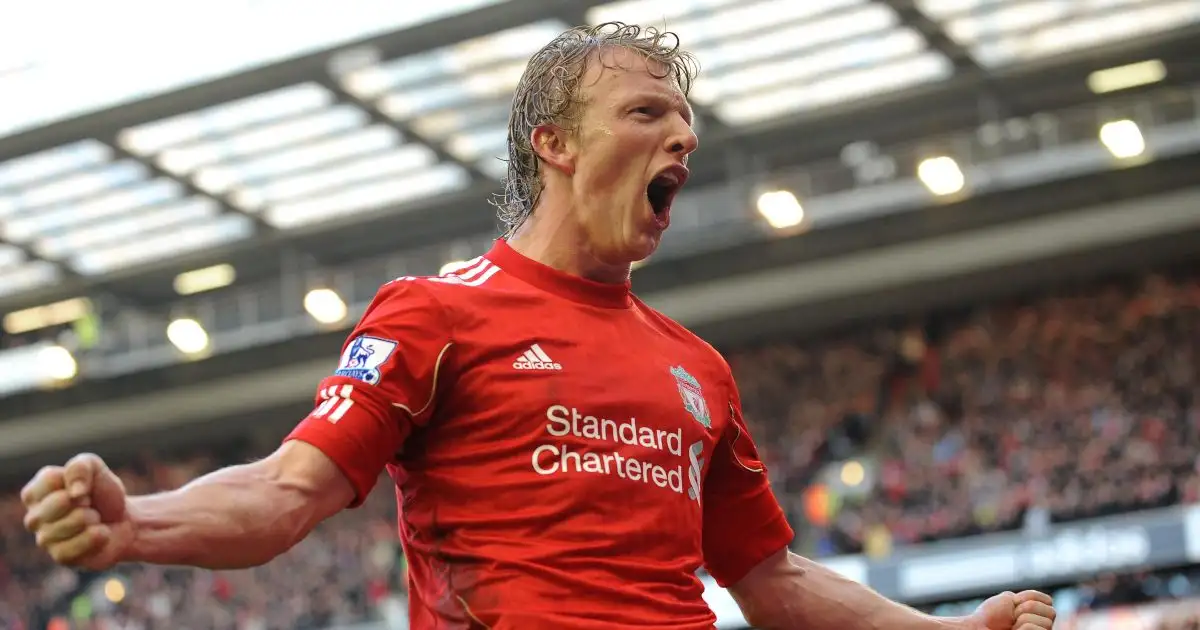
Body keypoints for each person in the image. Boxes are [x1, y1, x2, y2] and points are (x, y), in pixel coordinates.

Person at [20, 23, 1056, 630]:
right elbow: (287, 492)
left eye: (684, 120)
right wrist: (138, 526)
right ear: (554, 144)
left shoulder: (697, 368)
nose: (682, 133)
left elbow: (768, 577)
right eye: (647, 112)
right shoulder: (437, 313)